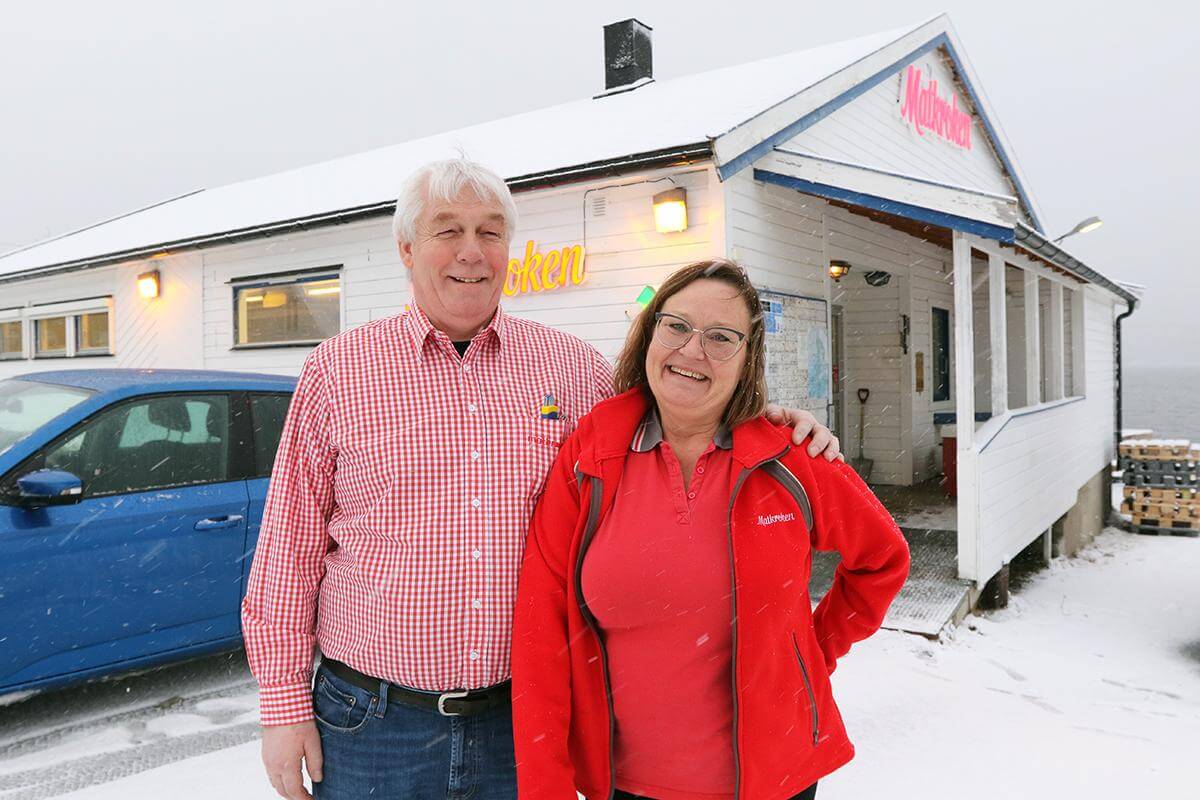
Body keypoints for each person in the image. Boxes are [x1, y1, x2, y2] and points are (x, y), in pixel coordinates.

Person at [241, 160, 843, 800]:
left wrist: (771, 425)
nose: (472, 252)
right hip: (373, 725)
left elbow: (687, 409)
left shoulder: (571, 369)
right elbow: (290, 550)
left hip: (522, 724)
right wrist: (282, 706)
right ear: (407, 247)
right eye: (448, 230)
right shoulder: (338, 371)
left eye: (491, 231)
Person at [511, 259, 911, 800]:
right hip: (626, 786)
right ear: (649, 333)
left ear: (748, 359)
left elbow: (883, 558)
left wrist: (810, 653)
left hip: (776, 782)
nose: (692, 350)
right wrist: (546, 788)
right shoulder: (591, 456)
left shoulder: (792, 456)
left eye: (721, 337)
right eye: (676, 325)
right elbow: (542, 630)